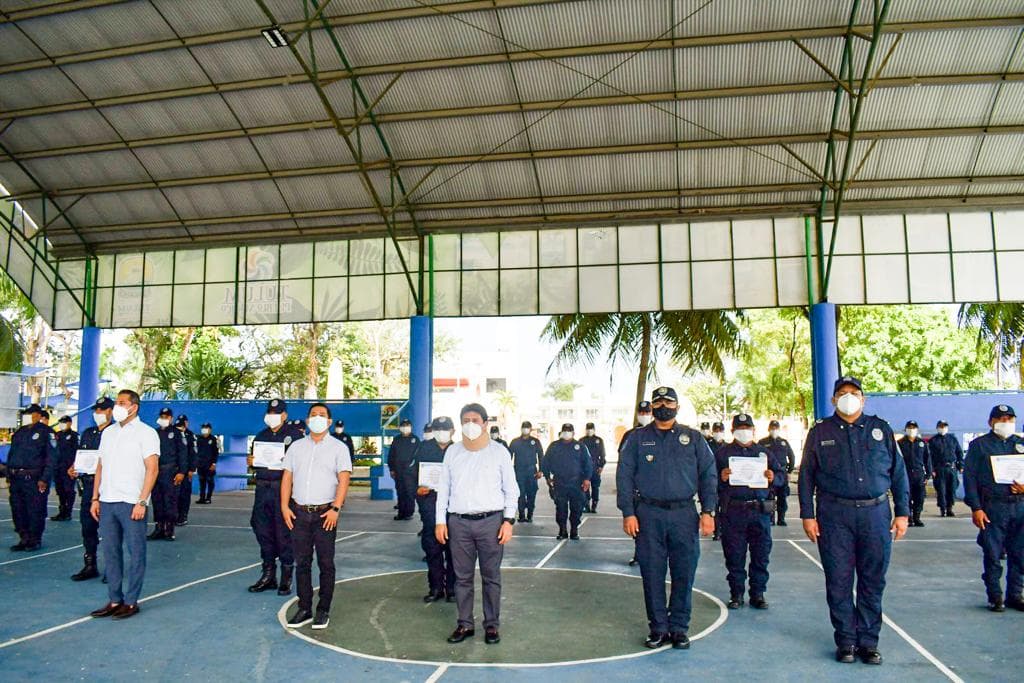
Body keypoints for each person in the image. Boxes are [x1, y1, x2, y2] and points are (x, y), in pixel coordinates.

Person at [799, 376, 910, 666]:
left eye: (854, 392)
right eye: (842, 393)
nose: (848, 397)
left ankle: (869, 642)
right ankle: (846, 640)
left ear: (863, 399)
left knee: (873, 580)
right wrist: (807, 515)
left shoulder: (880, 429)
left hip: (875, 514)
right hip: (834, 516)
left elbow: (898, 473)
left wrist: (902, 512)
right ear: (834, 400)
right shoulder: (820, 431)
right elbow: (807, 476)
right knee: (838, 581)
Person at [617, 386, 717, 650]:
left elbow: (709, 475)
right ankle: (658, 628)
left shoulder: (693, 438)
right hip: (647, 514)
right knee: (652, 573)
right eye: (658, 401)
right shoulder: (637, 438)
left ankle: (679, 628)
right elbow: (624, 476)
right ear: (652, 407)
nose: (663, 405)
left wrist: (708, 511)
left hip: (684, 514)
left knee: (684, 572)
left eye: (668, 402)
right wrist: (628, 512)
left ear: (677, 407)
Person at [435, 403, 519, 645]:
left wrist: (508, 521)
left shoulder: (499, 452)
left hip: (491, 522)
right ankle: (465, 624)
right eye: (465, 420)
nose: (470, 424)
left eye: (475, 419)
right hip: (459, 523)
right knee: (462, 578)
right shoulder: (453, 451)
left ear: (485, 423)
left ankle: (491, 625)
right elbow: (444, 489)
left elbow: (511, 489)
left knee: (491, 577)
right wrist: (441, 521)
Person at [88, 389, 160, 620]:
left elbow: (152, 469)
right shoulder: (108, 433)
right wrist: (95, 498)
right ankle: (114, 599)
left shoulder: (146, 433)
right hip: (107, 501)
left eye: (121, 402)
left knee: (136, 553)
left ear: (133, 407)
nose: (116, 406)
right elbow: (100, 466)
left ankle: (131, 601)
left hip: (131, 502)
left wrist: (142, 501)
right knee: (110, 552)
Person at [281, 403, 352, 629]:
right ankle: (304, 608)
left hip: (325, 515)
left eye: (322, 415)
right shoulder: (296, 447)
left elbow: (344, 479)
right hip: (299, 513)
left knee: (325, 563)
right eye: (313, 415)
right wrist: (285, 506)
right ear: (307, 420)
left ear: (329, 422)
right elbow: (287, 478)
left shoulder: (339, 448)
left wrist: (336, 509)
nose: (317, 418)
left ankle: (323, 610)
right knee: (302, 562)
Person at [716, 414, 785, 609]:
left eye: (748, 427)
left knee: (761, 555)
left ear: (754, 430)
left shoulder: (764, 453)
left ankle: (758, 593)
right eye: (740, 427)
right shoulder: (722, 454)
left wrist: (773, 478)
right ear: (733, 431)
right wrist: (721, 478)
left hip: (760, 511)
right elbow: (709, 480)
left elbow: (781, 475)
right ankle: (736, 593)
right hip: (734, 512)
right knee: (734, 555)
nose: (744, 431)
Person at [963, 404, 1024, 612]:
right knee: (993, 554)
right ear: (991, 422)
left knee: (1020, 554)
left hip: (1020, 506)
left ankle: (1016, 594)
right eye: (1001, 419)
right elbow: (969, 478)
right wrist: (976, 507)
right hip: (993, 507)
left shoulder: (1021, 444)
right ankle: (995, 596)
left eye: (1009, 419)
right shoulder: (980, 445)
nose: (1006, 423)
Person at [248, 399, 306, 595]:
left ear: (284, 415)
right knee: (262, 528)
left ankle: (286, 576)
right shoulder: (261, 435)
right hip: (263, 488)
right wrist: (252, 461)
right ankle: (268, 574)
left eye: (276, 412)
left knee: (283, 532)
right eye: (270, 412)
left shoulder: (295, 436)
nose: (272, 416)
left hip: (284, 490)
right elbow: (254, 461)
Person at [69, 397, 113, 581]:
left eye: (102, 410)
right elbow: (81, 456)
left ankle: (112, 567)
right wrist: (74, 468)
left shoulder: (116, 433)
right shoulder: (88, 433)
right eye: (97, 410)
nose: (98, 414)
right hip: (88, 486)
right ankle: (90, 564)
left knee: (110, 529)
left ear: (110, 411)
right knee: (87, 527)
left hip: (109, 487)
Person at [415, 416, 457, 602]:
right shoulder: (424, 448)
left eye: (445, 429)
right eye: (438, 429)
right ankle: (436, 588)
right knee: (432, 550)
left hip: (453, 508)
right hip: (430, 505)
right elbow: (411, 474)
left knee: (454, 551)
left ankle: (453, 589)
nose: (441, 432)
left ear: (453, 431)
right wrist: (418, 490)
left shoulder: (459, 451)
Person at [6, 403, 56, 551]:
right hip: (17, 478)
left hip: (34, 479)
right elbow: (12, 454)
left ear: (39, 416)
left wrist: (45, 478)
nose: (29, 416)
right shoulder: (20, 432)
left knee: (35, 510)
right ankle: (23, 538)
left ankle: (34, 539)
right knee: (18, 509)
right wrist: (9, 474)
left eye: (32, 413)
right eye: (27, 413)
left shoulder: (47, 432)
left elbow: (51, 458)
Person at [542, 423, 592, 540]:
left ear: (573, 433)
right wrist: (548, 478)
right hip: (559, 482)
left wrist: (587, 479)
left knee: (577, 508)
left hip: (576, 482)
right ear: (561, 432)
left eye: (569, 431)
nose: (566, 433)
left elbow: (588, 464)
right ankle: (562, 530)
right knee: (560, 507)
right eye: (564, 430)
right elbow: (545, 462)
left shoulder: (580, 446)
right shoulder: (554, 446)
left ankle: (574, 530)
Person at [620, 401, 654, 566]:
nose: (645, 414)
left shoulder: (658, 433)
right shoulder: (630, 435)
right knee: (638, 525)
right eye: (642, 411)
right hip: (636, 490)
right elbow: (624, 464)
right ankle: (639, 553)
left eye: (647, 411)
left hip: (653, 489)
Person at [148, 407, 186, 541]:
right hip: (155, 471)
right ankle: (159, 528)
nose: (164, 418)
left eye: (167, 416)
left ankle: (169, 530)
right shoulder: (154, 433)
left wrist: (181, 472)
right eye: (162, 416)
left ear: (171, 418)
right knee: (157, 500)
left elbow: (182, 454)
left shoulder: (176, 433)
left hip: (170, 471)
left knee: (170, 501)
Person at [758, 420, 796, 526]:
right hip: (767, 473)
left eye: (776, 428)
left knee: (782, 497)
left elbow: (791, 457)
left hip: (782, 473)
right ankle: (770, 518)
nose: (774, 430)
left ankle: (781, 518)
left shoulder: (783, 442)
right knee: (769, 497)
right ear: (769, 429)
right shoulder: (762, 442)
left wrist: (789, 471)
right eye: (772, 428)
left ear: (779, 429)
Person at [508, 421, 544, 523]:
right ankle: (521, 515)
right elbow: (508, 457)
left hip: (531, 470)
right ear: (521, 429)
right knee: (520, 493)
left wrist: (541, 470)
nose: (525, 429)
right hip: (519, 471)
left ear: (530, 429)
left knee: (531, 493)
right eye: (524, 427)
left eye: (527, 428)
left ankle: (530, 514)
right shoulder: (515, 442)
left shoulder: (535, 441)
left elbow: (541, 456)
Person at [898, 420, 931, 527]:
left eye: (913, 428)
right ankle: (909, 518)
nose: (911, 430)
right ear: (906, 429)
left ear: (917, 429)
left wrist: (928, 475)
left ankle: (917, 517)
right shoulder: (900, 443)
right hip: (905, 474)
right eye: (909, 428)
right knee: (907, 497)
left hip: (919, 475)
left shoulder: (922, 443)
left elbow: (927, 460)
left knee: (919, 498)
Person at [930, 420, 964, 517]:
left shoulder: (953, 439)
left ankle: (950, 508)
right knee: (941, 490)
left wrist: (960, 465)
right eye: (941, 426)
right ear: (937, 428)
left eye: (944, 426)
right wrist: (932, 469)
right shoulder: (933, 440)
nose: (943, 428)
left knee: (952, 488)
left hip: (951, 468)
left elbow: (959, 453)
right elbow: (930, 457)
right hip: (939, 468)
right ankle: (943, 509)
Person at [388, 418, 419, 521]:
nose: (405, 427)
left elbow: (418, 456)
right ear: (400, 428)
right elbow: (391, 455)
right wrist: (391, 469)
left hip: (411, 472)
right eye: (403, 425)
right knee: (400, 492)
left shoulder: (415, 439)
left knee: (410, 493)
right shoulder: (396, 439)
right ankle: (401, 513)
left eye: (407, 425)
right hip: (398, 471)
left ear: (410, 427)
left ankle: (409, 513)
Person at [51, 415, 79, 521]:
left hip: (69, 468)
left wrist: (74, 466)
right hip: (58, 467)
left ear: (70, 423)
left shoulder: (74, 436)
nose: (62, 424)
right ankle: (62, 511)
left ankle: (68, 512)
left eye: (64, 422)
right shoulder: (57, 435)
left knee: (69, 490)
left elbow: (78, 452)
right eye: (61, 422)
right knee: (60, 490)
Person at [175, 415, 198, 526]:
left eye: (182, 425)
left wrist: (191, 469)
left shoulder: (190, 435)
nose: (180, 428)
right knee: (174, 495)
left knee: (184, 494)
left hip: (186, 469)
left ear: (186, 424)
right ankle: (174, 515)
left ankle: (183, 516)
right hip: (174, 469)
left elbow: (193, 453)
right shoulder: (174, 433)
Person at [580, 422, 607, 513]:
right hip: (584, 468)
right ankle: (586, 505)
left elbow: (602, 454)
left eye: (591, 429)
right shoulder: (582, 440)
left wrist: (601, 466)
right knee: (585, 487)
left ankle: (594, 505)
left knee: (595, 487)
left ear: (594, 430)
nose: (589, 430)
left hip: (595, 467)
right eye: (588, 429)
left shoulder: (599, 440)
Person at [195, 423, 219, 504]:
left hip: (210, 465)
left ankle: (208, 498)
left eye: (206, 428)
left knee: (210, 481)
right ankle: (202, 498)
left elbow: (216, 452)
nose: (205, 430)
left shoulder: (213, 439)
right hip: (201, 464)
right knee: (202, 481)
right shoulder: (199, 438)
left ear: (210, 430)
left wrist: (214, 463)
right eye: (203, 429)